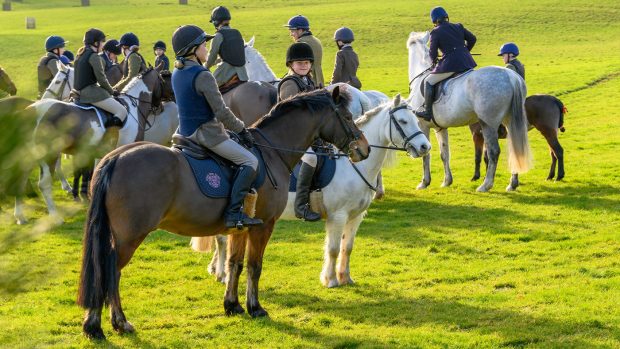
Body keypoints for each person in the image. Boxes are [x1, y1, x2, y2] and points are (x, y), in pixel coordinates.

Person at [171, 24, 262, 229]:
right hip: (206, 133)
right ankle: (233, 213)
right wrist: (242, 130)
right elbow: (221, 112)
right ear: (193, 49)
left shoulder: (177, 71)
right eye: (204, 45)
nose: (207, 49)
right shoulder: (203, 75)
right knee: (250, 161)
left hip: (184, 131)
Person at [278, 42, 321, 221]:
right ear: (290, 65)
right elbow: (293, 114)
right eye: (299, 63)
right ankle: (300, 206)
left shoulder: (308, 81)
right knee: (311, 157)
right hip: (290, 135)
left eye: (306, 62)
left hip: (306, 133)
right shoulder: (289, 84)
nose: (303, 65)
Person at [414, 6, 477, 121]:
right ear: (446, 16)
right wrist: (465, 51)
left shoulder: (435, 32)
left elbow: (432, 53)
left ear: (434, 20)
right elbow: (473, 39)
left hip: (451, 65)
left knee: (428, 81)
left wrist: (434, 62)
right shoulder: (458, 26)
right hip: (467, 62)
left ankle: (428, 112)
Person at [73, 28, 127, 128]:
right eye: (102, 42)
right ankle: (107, 134)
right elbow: (102, 79)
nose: (103, 45)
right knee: (122, 111)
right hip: (91, 93)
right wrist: (112, 91)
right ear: (95, 43)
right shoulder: (95, 57)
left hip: (78, 92)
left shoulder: (79, 55)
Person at [206, 6, 249, 90]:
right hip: (243, 74)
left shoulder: (218, 36)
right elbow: (231, 54)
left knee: (208, 87)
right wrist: (218, 61)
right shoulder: (237, 33)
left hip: (226, 73)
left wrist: (205, 67)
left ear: (215, 22)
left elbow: (212, 56)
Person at [283, 15, 324, 87]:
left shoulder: (300, 44)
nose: (291, 34)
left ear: (300, 30)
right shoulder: (317, 41)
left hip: (305, 82)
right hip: (319, 81)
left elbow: (294, 67)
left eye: (292, 31)